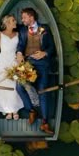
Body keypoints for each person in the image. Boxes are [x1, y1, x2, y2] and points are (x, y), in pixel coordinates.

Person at [15, 7, 54, 135]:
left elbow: (51, 47)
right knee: (19, 87)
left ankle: (44, 122)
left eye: (24, 17)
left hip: (42, 64)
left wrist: (44, 53)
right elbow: (20, 44)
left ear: (31, 17)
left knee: (42, 90)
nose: (22, 20)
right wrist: (19, 53)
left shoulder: (44, 29)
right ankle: (32, 110)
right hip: (28, 63)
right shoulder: (22, 30)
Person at [0, 15, 24, 119]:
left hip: (14, 61)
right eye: (13, 20)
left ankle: (14, 110)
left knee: (13, 84)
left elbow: (20, 48)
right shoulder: (0, 34)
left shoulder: (18, 34)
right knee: (3, 84)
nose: (15, 22)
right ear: (7, 23)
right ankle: (7, 110)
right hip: (3, 61)